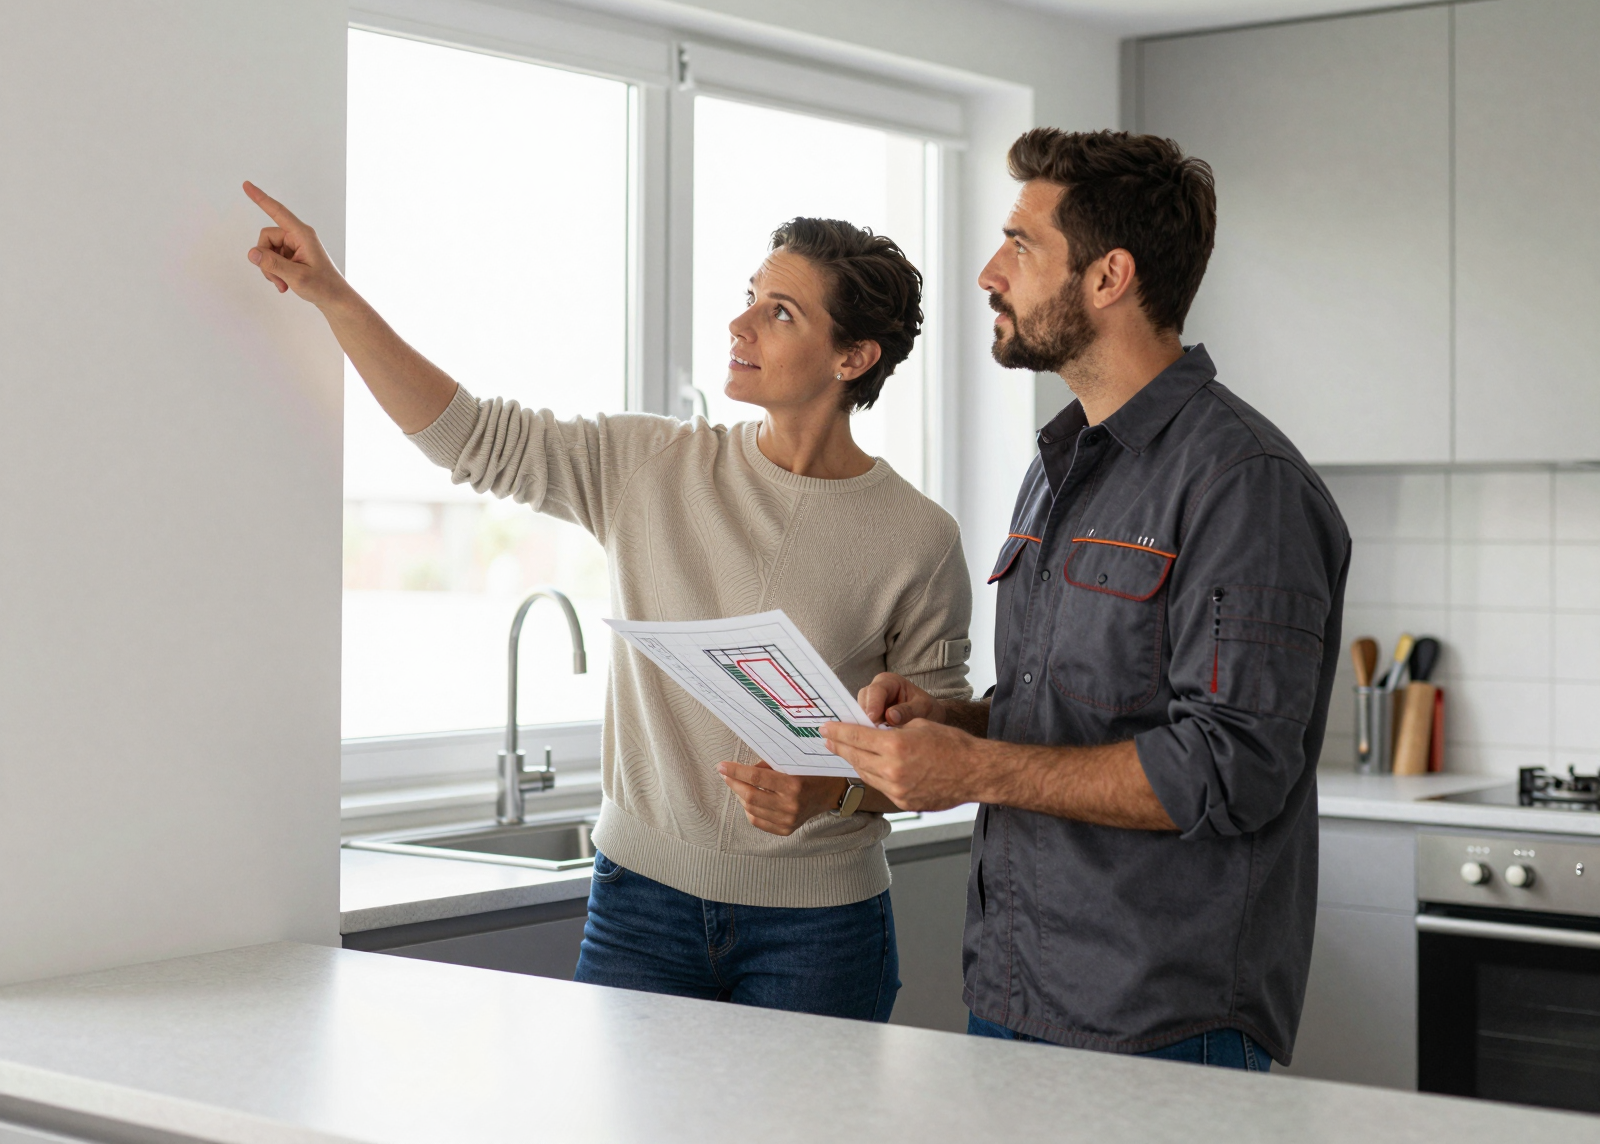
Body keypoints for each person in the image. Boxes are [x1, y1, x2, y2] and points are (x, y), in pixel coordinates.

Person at [242, 183, 973, 1021]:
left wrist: (833, 793)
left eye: (780, 313)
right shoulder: (649, 465)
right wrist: (333, 296)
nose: (739, 326)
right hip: (642, 907)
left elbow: (936, 765)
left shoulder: (919, 538)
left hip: (821, 927)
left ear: (854, 359)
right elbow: (471, 436)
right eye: (748, 300)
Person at [821, 129, 1350, 1070]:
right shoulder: (1062, 466)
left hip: (1161, 1022)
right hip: (1016, 988)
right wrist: (957, 723)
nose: (990, 273)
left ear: (1108, 279)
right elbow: (1073, 714)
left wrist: (974, 772)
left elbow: (1228, 768)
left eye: (1021, 245)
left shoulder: (1243, 484)